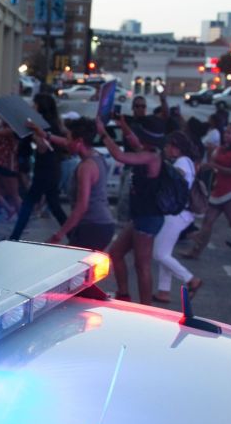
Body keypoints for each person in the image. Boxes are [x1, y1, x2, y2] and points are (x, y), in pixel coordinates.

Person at [99, 113, 163, 304]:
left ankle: (147, 309)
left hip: (148, 217)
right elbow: (134, 142)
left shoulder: (151, 156)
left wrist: (103, 134)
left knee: (142, 265)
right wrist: (123, 125)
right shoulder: (148, 150)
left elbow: (119, 155)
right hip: (141, 216)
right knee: (116, 253)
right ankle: (124, 295)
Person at [182, 123, 231, 265]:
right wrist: (209, 155)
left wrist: (215, 166)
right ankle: (195, 251)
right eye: (225, 132)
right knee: (207, 222)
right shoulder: (221, 149)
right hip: (218, 189)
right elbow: (212, 163)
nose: (226, 135)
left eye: (230, 133)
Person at [47, 118, 115, 252]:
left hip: (92, 226)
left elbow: (82, 206)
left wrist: (58, 235)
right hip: (102, 225)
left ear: (79, 142)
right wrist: (46, 136)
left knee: (73, 269)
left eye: (68, 138)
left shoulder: (86, 167)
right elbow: (65, 144)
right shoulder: (97, 156)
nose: (66, 143)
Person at [151, 131, 202, 302]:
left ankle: (191, 279)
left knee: (159, 254)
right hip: (180, 214)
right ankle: (163, 291)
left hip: (177, 214)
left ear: (176, 148)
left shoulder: (182, 163)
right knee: (165, 252)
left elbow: (178, 179)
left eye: (168, 145)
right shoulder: (186, 161)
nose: (165, 148)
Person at [9, 93, 68, 240]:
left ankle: (14, 236)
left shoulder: (47, 125)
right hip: (49, 168)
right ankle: (73, 233)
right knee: (54, 205)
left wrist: (35, 133)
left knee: (29, 203)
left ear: (40, 106)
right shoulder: (52, 123)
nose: (32, 107)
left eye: (34, 104)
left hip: (46, 169)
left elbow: (43, 147)